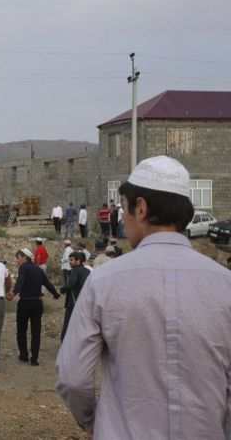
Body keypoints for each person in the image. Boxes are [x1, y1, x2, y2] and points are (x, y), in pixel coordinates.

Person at [57, 155, 231, 439]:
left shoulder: (103, 281)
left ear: (141, 208)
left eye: (123, 209)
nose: (122, 220)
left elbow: (73, 378)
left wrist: (91, 420)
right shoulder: (225, 285)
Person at [6, 248, 60, 366]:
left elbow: (20, 281)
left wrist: (13, 293)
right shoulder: (39, 269)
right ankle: (34, 358)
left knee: (21, 330)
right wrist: (56, 294)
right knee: (36, 331)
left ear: (24, 257)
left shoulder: (24, 268)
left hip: (25, 303)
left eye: (18, 258)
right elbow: (47, 283)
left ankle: (24, 355)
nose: (17, 260)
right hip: (37, 303)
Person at [59, 251, 90, 342]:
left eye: (71, 260)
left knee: (67, 326)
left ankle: (64, 346)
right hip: (84, 303)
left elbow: (71, 285)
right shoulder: (87, 271)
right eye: (69, 260)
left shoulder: (74, 270)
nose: (69, 262)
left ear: (78, 261)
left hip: (73, 303)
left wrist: (62, 289)